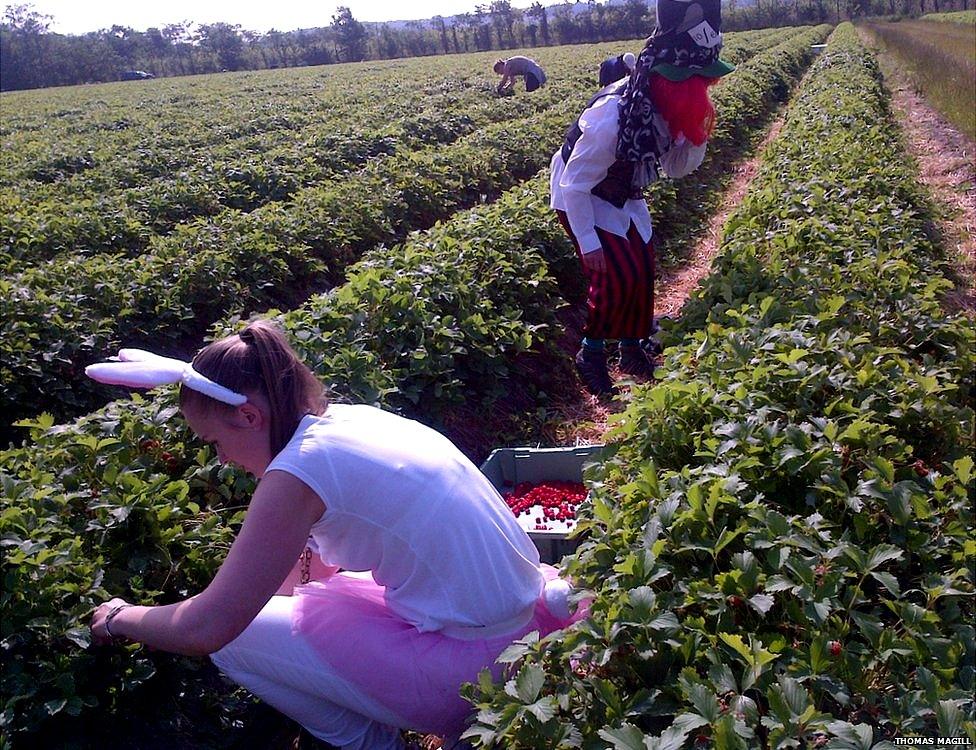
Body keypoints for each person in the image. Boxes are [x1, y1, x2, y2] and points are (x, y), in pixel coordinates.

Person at [85, 321, 583, 750]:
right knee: (305, 605)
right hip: (533, 620)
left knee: (232, 646)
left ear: (250, 415)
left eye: (215, 442)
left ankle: (374, 743)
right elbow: (309, 571)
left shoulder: (296, 477)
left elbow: (207, 628)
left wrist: (120, 617)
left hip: (475, 668)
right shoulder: (346, 420)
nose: (221, 459)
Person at [549, 0, 734, 397]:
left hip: (624, 191)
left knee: (642, 268)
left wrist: (694, 135)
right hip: (582, 193)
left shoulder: (666, 110)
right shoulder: (612, 119)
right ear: (670, 80)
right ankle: (591, 354)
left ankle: (631, 349)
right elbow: (575, 184)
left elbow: (675, 167)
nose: (703, 90)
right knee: (613, 274)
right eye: (696, 82)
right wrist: (588, 242)